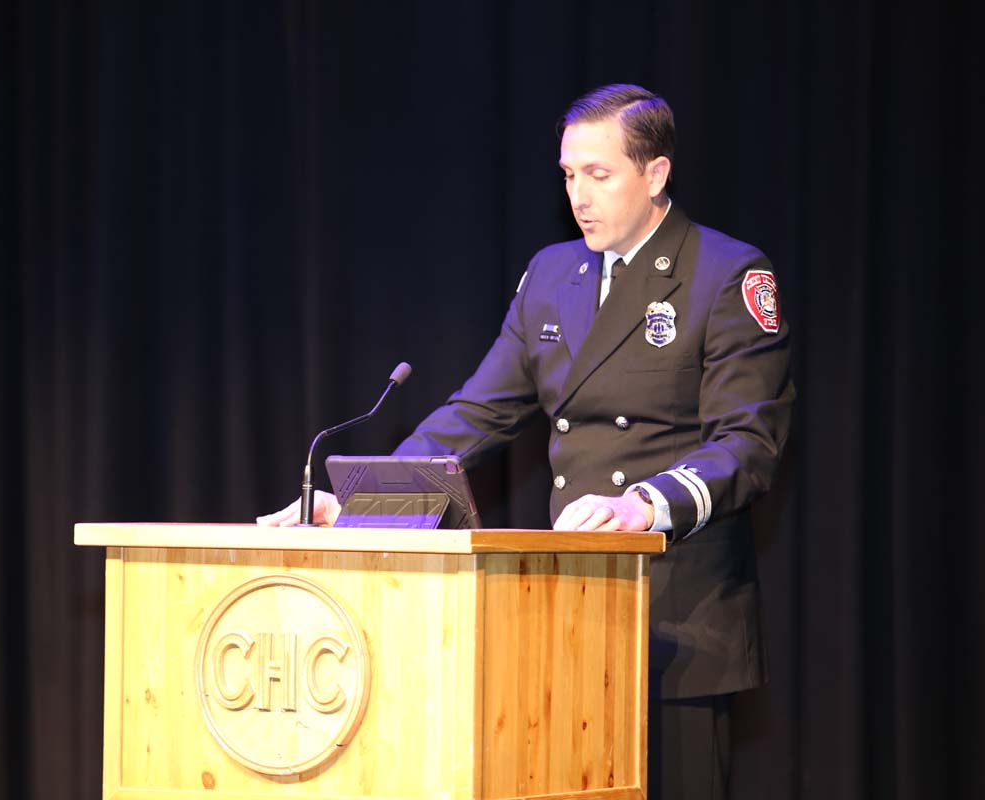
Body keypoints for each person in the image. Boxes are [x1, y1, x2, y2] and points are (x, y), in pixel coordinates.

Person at [259, 83, 794, 800]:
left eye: (598, 174)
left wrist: (642, 504)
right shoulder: (552, 274)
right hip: (568, 608)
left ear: (656, 174)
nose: (579, 196)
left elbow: (747, 443)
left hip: (678, 613)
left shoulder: (725, 273)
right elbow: (478, 412)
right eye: (569, 175)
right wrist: (361, 498)